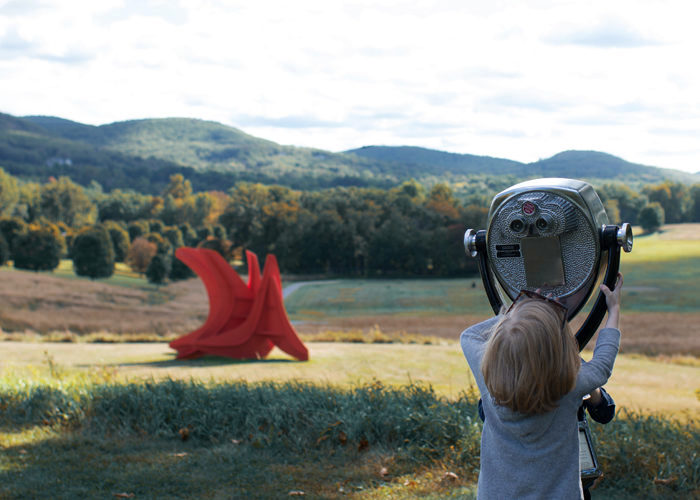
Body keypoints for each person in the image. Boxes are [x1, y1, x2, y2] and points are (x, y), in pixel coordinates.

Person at [461, 273, 623, 500]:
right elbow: (603, 364)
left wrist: (518, 310)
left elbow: (469, 336)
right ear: (555, 350)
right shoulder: (569, 385)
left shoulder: (487, 376)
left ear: (496, 348)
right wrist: (613, 309)